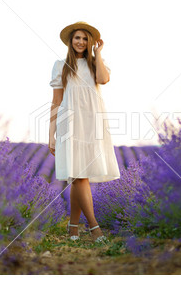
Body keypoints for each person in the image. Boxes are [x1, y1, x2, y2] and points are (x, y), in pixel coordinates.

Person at [49, 21, 120, 243]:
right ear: (71, 41)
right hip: (69, 123)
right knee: (79, 175)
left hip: (92, 122)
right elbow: (56, 101)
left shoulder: (95, 63)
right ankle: (94, 227)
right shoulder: (60, 65)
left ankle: (72, 227)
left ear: (90, 42)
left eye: (85, 38)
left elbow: (103, 79)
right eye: (77, 38)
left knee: (81, 175)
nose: (80, 42)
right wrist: (51, 133)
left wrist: (98, 53)